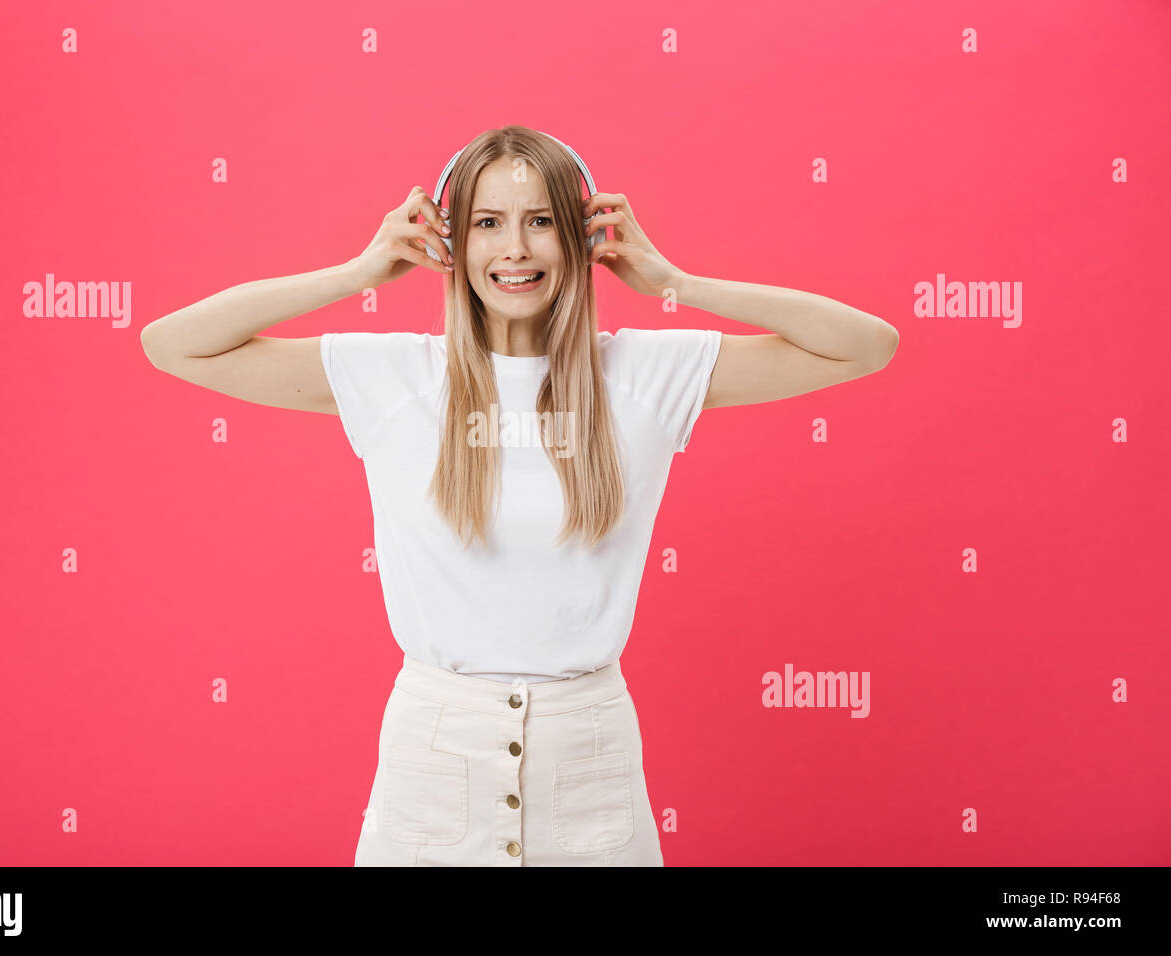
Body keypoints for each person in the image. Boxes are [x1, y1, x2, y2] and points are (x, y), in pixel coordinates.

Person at [140, 125, 899, 866]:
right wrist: (358, 273)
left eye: (540, 222)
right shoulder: (395, 378)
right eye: (488, 224)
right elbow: (173, 344)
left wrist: (676, 283)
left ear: (580, 237)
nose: (515, 249)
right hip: (432, 765)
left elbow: (867, 345)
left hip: (590, 761)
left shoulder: (644, 375)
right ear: (450, 243)